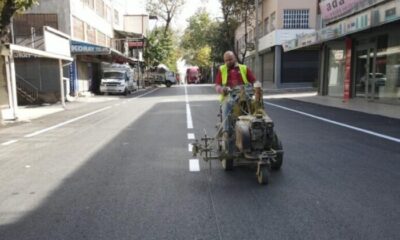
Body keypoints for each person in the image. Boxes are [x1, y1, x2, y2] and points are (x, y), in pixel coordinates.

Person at [215, 51, 257, 136]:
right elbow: (217, 85)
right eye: (226, 60)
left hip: (245, 94)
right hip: (229, 95)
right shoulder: (222, 69)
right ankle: (226, 131)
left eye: (230, 59)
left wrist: (258, 87)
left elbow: (254, 81)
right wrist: (222, 89)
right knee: (228, 103)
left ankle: (257, 126)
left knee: (256, 104)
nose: (228, 62)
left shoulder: (244, 68)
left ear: (235, 58)